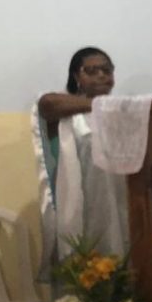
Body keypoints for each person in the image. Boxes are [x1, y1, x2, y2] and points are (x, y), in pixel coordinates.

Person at [32, 47, 129, 280]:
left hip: (117, 205)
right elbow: (46, 104)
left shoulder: (120, 111)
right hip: (81, 205)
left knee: (119, 263)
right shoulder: (67, 110)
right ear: (76, 76)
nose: (102, 76)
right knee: (82, 271)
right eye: (92, 70)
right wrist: (99, 104)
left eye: (107, 70)